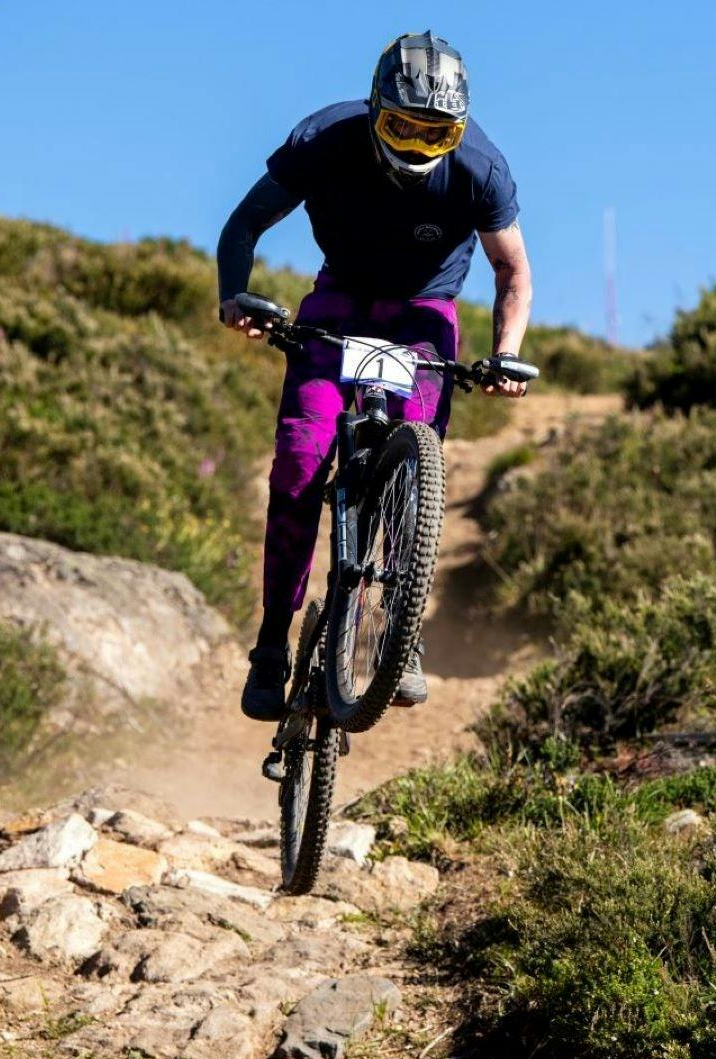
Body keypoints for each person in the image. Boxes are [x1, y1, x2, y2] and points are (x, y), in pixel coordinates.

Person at [216, 31, 532, 721]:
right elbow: (244, 223)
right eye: (402, 127)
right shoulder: (325, 139)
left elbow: (513, 270)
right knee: (299, 467)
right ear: (373, 108)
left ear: (458, 130)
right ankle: (272, 643)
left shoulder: (480, 167)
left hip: (423, 315)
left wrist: (507, 351)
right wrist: (233, 295)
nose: (418, 146)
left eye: (436, 133)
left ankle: (400, 627)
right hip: (339, 301)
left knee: (416, 461)